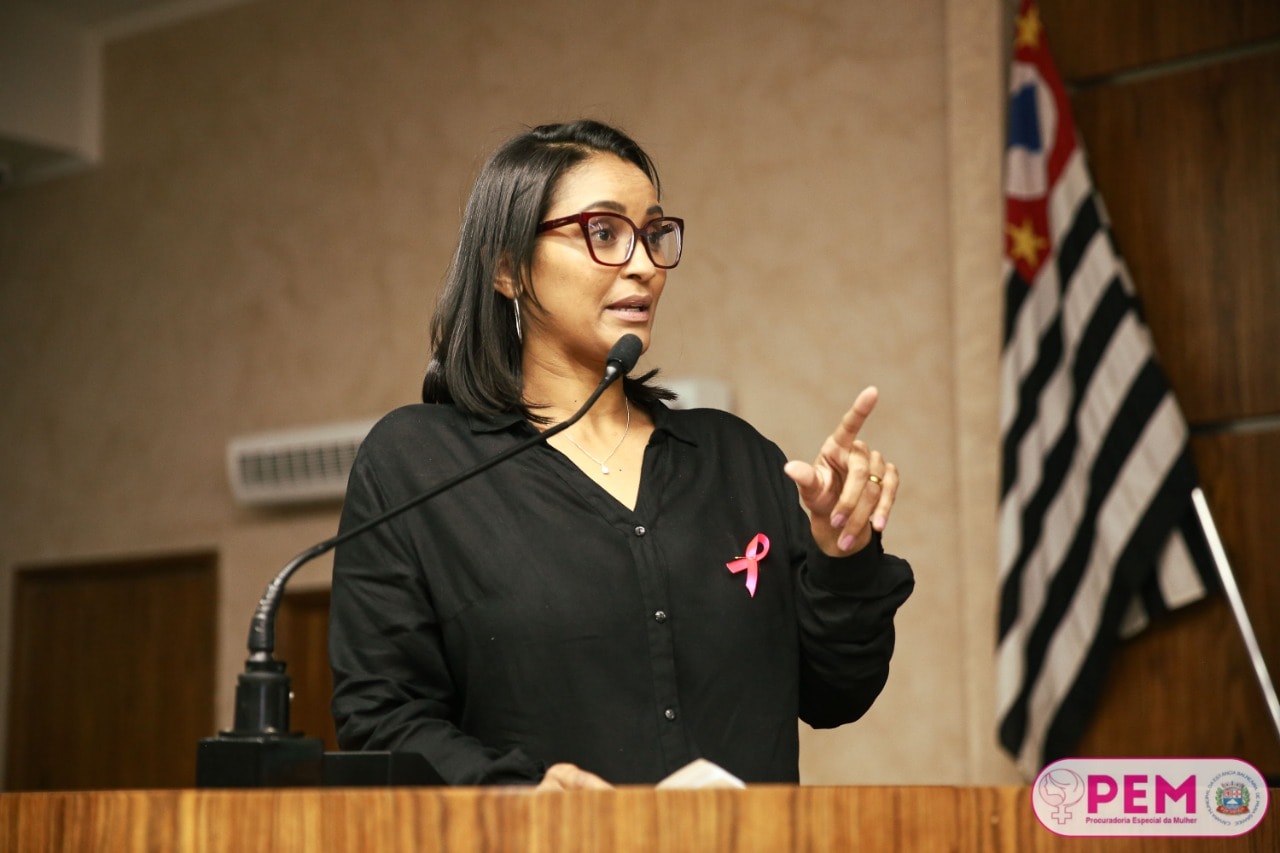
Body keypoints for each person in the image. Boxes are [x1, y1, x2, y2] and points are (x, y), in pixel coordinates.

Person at [329, 119, 914, 789]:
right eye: (604, 233)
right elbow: (382, 717)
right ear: (507, 267)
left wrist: (842, 557)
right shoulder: (417, 465)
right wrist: (518, 796)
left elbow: (837, 693)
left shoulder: (737, 459)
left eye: (654, 233)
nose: (644, 265)